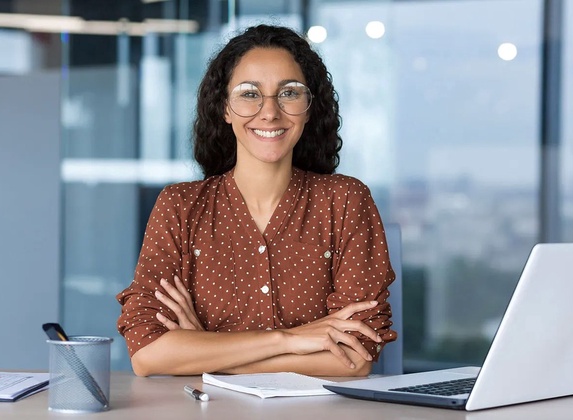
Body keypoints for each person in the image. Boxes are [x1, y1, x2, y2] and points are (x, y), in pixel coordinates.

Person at [115, 25, 397, 377]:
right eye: (249, 94)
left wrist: (203, 349)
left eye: (289, 93)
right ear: (225, 108)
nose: (270, 112)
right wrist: (287, 340)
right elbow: (146, 352)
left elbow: (356, 359)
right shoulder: (180, 207)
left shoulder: (345, 201)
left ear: (309, 109)